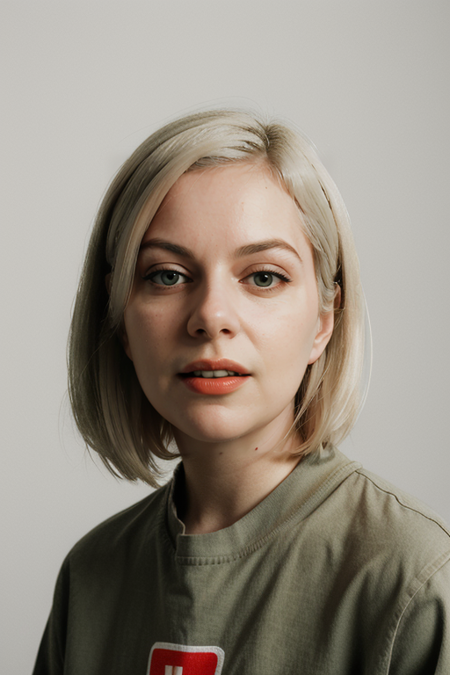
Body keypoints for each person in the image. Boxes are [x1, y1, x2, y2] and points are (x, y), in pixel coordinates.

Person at [33, 109, 450, 675]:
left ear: (325, 317)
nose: (210, 317)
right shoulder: (89, 577)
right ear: (120, 317)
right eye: (167, 275)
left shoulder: (416, 580)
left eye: (263, 276)